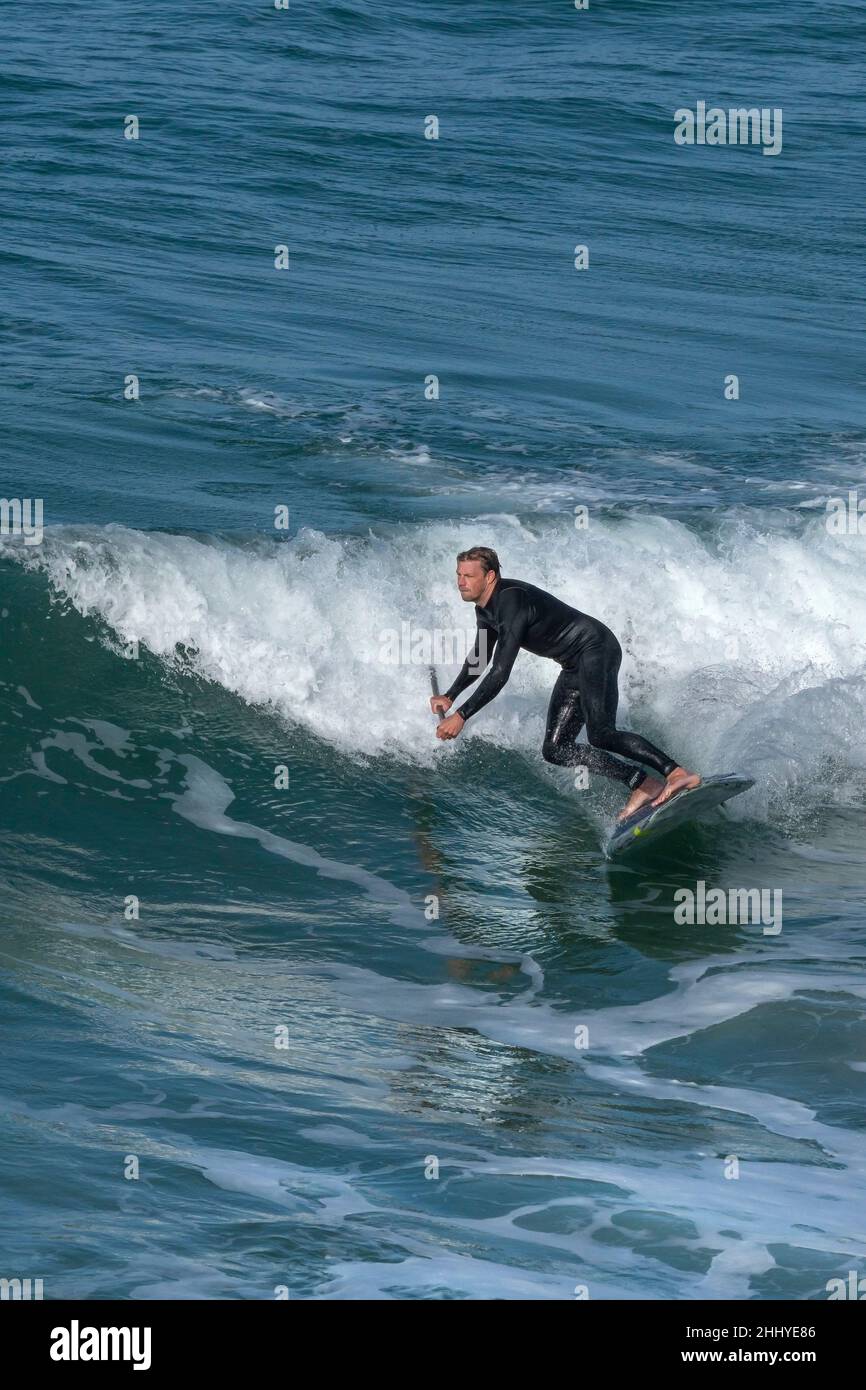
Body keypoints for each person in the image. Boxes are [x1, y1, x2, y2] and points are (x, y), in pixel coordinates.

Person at [430, 546, 700, 821]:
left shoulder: (511, 601)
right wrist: (450, 695)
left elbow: (500, 672)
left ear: (490, 577)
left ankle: (677, 773)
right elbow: (480, 659)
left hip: (596, 649)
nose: (461, 582)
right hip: (574, 663)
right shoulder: (486, 610)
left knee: (601, 733)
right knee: (556, 749)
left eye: (468, 575)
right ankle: (644, 784)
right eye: (458, 574)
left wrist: (462, 715)